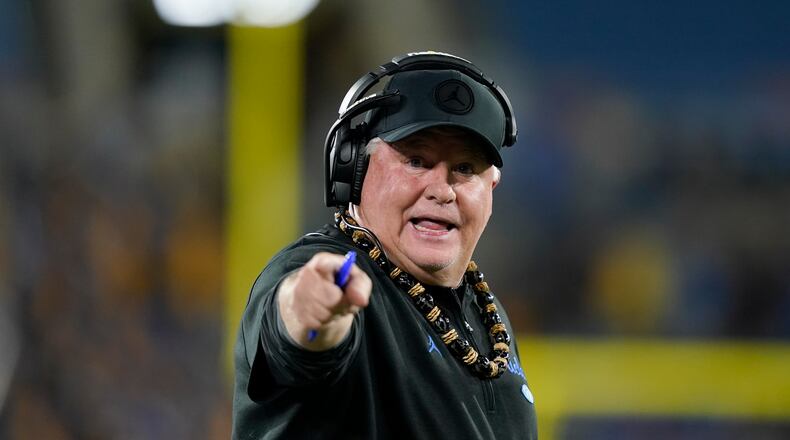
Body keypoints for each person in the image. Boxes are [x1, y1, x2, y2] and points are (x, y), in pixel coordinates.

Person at [232, 51, 537, 439]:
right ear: (354, 168)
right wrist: (312, 315)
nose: (442, 190)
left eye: (464, 169)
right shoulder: (331, 271)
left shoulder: (484, 313)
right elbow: (297, 333)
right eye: (416, 161)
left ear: (491, 187)